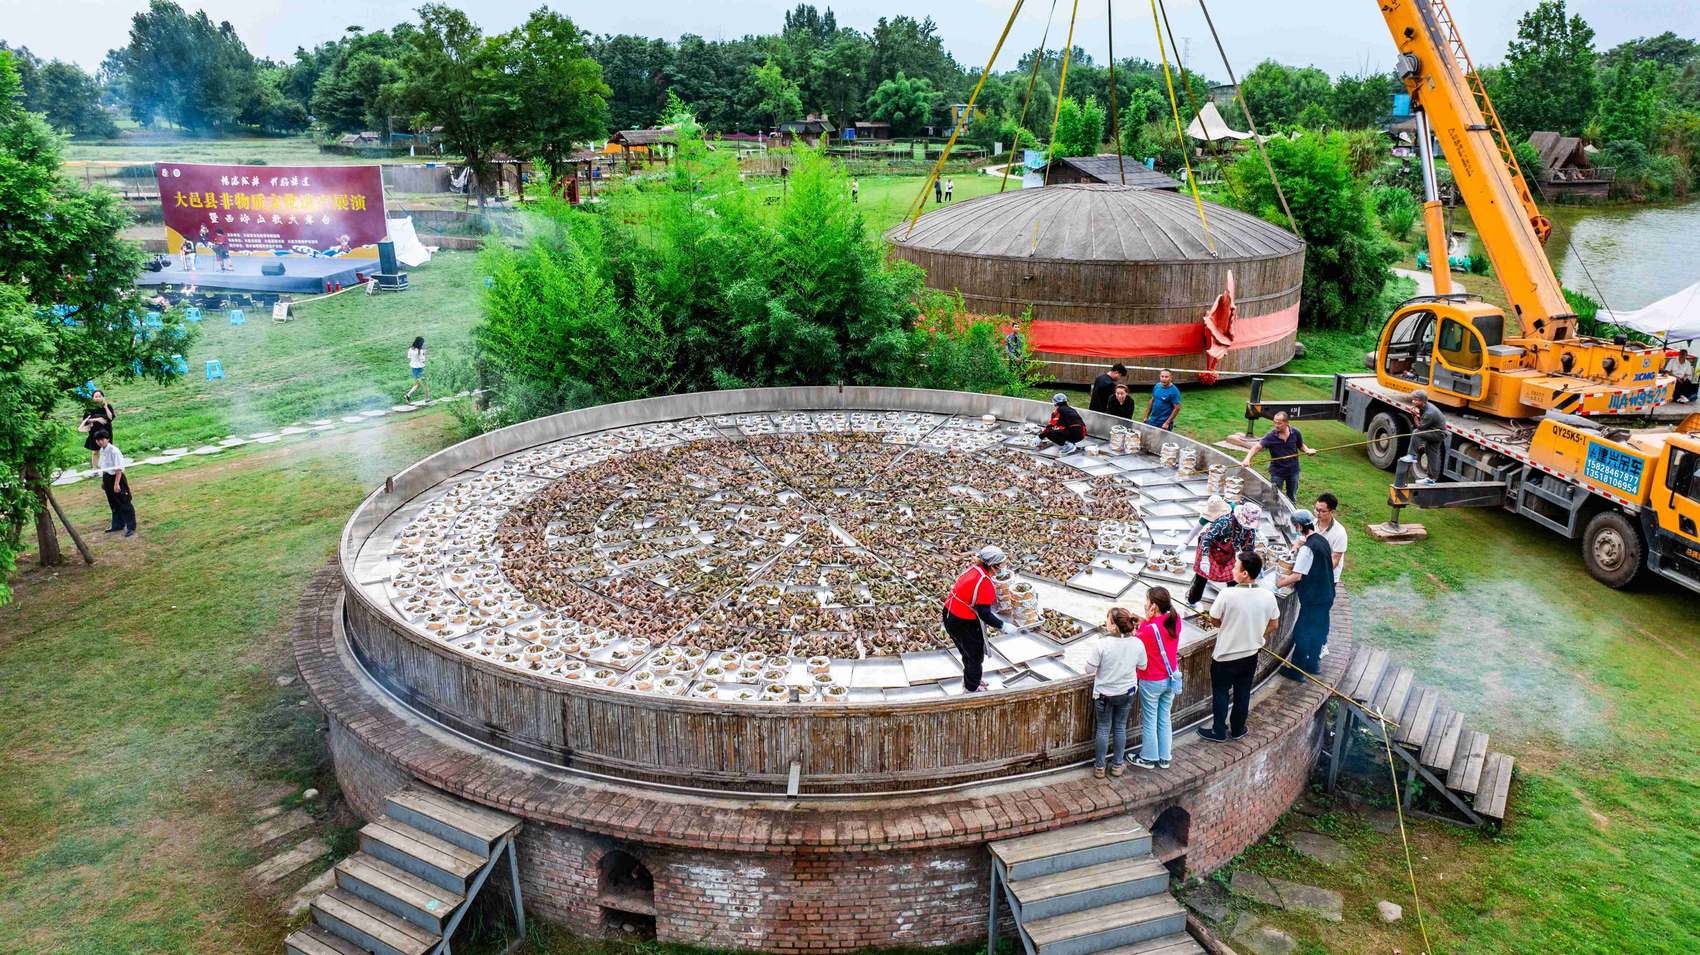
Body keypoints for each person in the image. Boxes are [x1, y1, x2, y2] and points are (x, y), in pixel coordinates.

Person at [1200, 552, 1279, 742]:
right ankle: (1237, 729)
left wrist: (1228, 626)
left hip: (1225, 655)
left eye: (1236, 567)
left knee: (1221, 692)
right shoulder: (1268, 596)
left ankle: (1218, 731)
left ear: (1244, 573)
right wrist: (1258, 634)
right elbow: (1274, 624)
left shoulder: (1228, 594)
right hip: (1250, 654)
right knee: (1243, 693)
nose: (1233, 570)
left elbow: (1214, 618)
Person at [1086, 607, 1147, 777]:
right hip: (1126, 692)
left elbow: (1089, 669)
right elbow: (1143, 666)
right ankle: (1117, 765)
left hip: (1104, 694)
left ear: (1113, 625)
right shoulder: (1137, 643)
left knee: (1103, 728)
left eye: (1108, 620)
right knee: (1120, 727)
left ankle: (1100, 767)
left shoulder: (1102, 644)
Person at [943, 545, 1009, 693]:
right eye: (1002, 564)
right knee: (975, 656)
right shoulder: (985, 583)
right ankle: (971, 689)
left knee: (966, 651)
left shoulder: (974, 570)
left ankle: (971, 679)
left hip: (949, 613)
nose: (1003, 567)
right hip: (962, 621)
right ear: (993, 566)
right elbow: (985, 614)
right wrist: (1003, 625)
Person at [1276, 509, 1333, 678]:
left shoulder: (1307, 549)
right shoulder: (1322, 540)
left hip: (1313, 598)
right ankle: (1313, 664)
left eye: (1295, 526)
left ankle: (1297, 671)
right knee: (1319, 630)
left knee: (1302, 632)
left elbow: (1297, 576)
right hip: (1327, 594)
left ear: (1299, 526)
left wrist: (1278, 583)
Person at [1133, 587, 1183, 770]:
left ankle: (1148, 757)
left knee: (1150, 719)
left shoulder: (1148, 629)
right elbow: (1160, 630)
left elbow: (1137, 641)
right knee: (1164, 718)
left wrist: (1146, 620)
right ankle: (1164, 757)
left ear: (1153, 605)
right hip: (1171, 677)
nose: (1145, 603)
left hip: (1152, 680)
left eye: (1147, 600)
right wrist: (1146, 619)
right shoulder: (1176, 619)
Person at [1187, 500, 1261, 607]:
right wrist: (1205, 558)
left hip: (1229, 553)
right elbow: (1207, 539)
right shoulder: (1224, 522)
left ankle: (1230, 604)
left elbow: (1249, 550)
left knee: (1234, 579)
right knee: (1201, 579)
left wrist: (1253, 567)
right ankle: (1192, 601)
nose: (1246, 527)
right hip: (1211, 550)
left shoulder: (1251, 530)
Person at [1242, 411, 1314, 503]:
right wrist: (1247, 459)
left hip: (1293, 471)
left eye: (1279, 423)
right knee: (1275, 497)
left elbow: (1301, 445)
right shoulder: (1271, 436)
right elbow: (1257, 447)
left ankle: (1291, 511)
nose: (1276, 425)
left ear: (1287, 423)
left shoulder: (1295, 432)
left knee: (1291, 497)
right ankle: (1274, 511)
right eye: (1275, 422)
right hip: (1277, 472)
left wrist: (1307, 450)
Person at [93, 431, 136, 537]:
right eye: (98, 440)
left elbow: (118, 469)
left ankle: (130, 527)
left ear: (107, 439)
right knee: (113, 503)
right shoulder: (102, 450)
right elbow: (104, 466)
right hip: (107, 478)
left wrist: (116, 484)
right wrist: (103, 481)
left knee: (124, 502)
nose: (100, 442)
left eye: (102, 439)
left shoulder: (114, 451)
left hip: (117, 478)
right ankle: (117, 524)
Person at [1408, 390, 1448, 481]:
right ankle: (1431, 479)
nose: (1413, 401)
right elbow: (1424, 422)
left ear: (1423, 401)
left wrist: (1414, 416)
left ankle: (1412, 455)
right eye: (1413, 399)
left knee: (1416, 433)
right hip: (1436, 431)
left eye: (1416, 400)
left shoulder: (1429, 413)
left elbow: (1420, 427)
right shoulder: (1424, 407)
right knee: (1432, 455)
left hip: (1438, 433)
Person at [78, 389, 116, 471]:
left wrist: (106, 407)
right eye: (96, 397)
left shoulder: (108, 406)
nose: (98, 398)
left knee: (108, 449)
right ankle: (94, 469)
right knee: (95, 451)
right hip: (94, 431)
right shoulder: (90, 408)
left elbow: (110, 417)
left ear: (103, 397)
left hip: (106, 431)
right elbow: (86, 420)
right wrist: (97, 419)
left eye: (99, 396)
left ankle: (110, 466)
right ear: (93, 398)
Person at [1314, 492, 1347, 584]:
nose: (1318, 513)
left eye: (1322, 511)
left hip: (1327, 576)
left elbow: (1335, 560)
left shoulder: (1340, 533)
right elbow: (1302, 540)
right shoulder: (1313, 523)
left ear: (1332, 512)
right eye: (1316, 509)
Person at [404, 336, 429, 402]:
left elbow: (409, 357)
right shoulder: (420, 351)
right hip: (420, 369)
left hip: (414, 368)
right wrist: (424, 354)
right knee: (425, 385)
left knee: (417, 384)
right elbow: (423, 360)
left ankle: (408, 395)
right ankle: (427, 399)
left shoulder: (410, 349)